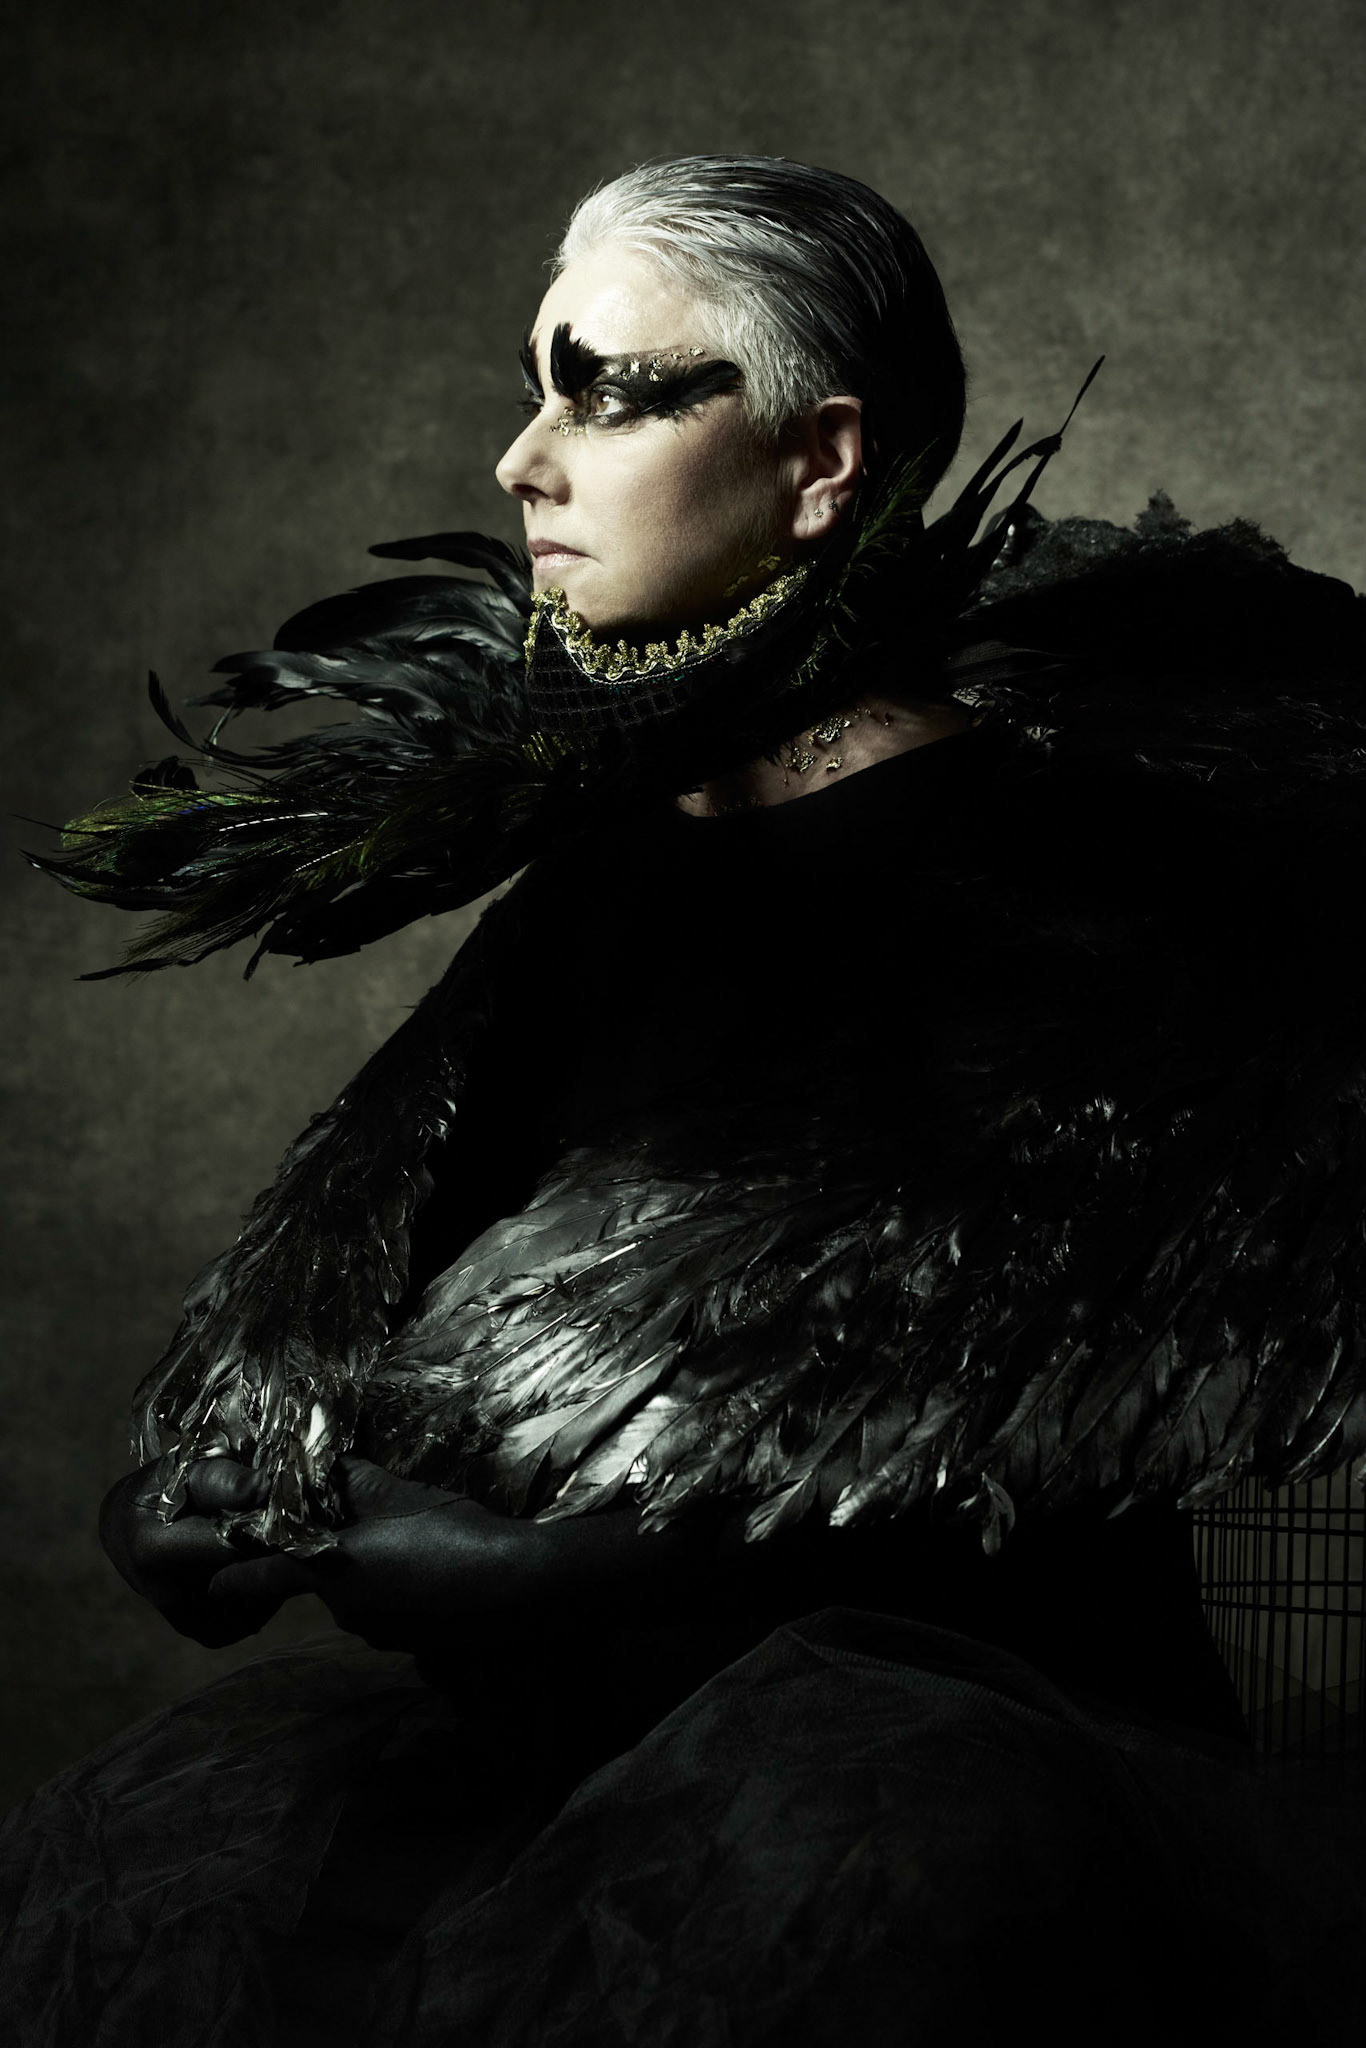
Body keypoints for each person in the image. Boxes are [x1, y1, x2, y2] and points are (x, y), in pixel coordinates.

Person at [3, 155, 1363, 2045]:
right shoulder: (604, 886)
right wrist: (226, 1482)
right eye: (533, 394)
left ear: (818, 463)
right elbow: (387, 1294)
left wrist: (551, 1558)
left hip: (937, 1790)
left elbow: (1015, 1376)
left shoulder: (1085, 890)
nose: (520, 463)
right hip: (554, 1773)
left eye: (608, 396)